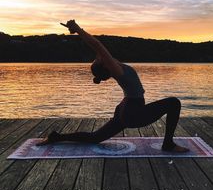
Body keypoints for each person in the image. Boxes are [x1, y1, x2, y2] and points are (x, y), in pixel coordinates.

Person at [37, 20, 189, 152]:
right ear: (105, 65)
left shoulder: (114, 67)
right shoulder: (116, 70)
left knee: (94, 138)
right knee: (173, 103)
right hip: (133, 112)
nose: (98, 57)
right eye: (98, 59)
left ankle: (56, 137)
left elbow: (97, 48)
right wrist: (77, 29)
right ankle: (168, 144)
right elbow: (96, 45)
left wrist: (78, 32)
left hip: (125, 109)